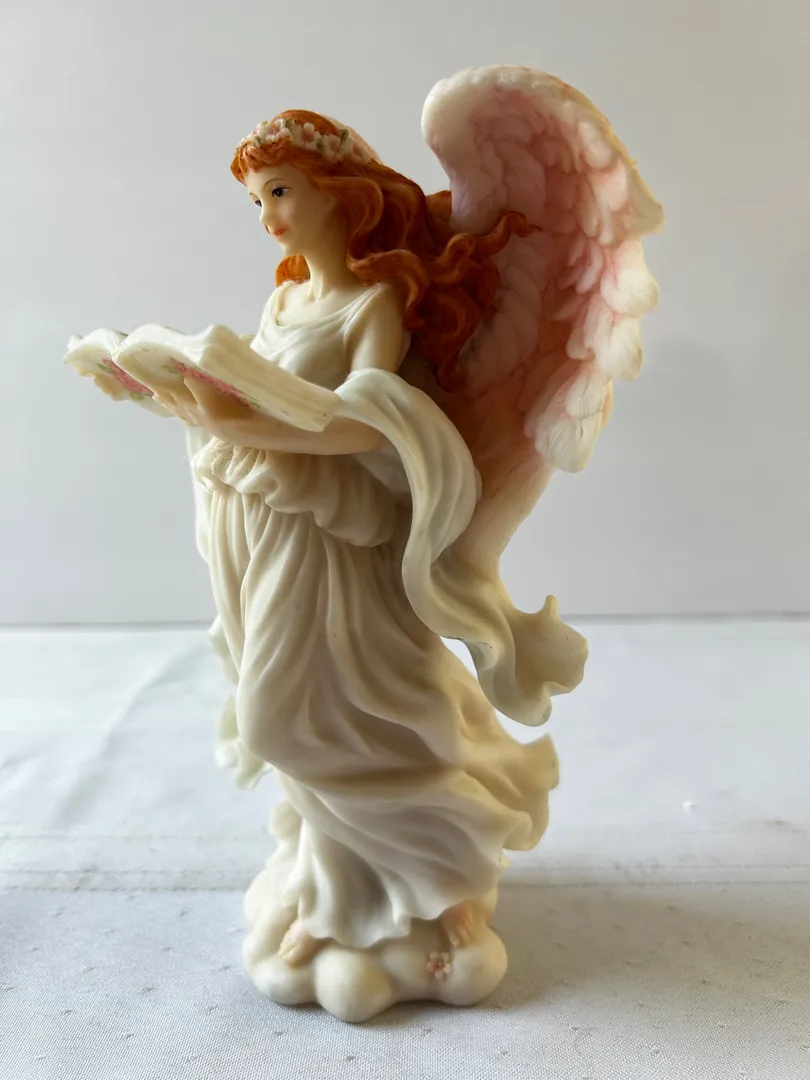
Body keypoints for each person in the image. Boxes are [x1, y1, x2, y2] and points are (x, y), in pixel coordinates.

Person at [153, 110, 588, 968]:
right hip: (264, 523)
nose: (268, 216)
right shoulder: (285, 301)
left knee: (313, 716)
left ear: (338, 195)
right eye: (256, 200)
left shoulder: (372, 304)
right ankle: (342, 892)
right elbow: (265, 402)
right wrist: (191, 401)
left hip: (337, 541)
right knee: (302, 714)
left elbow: (365, 422)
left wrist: (235, 422)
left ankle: (446, 865)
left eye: (281, 192)